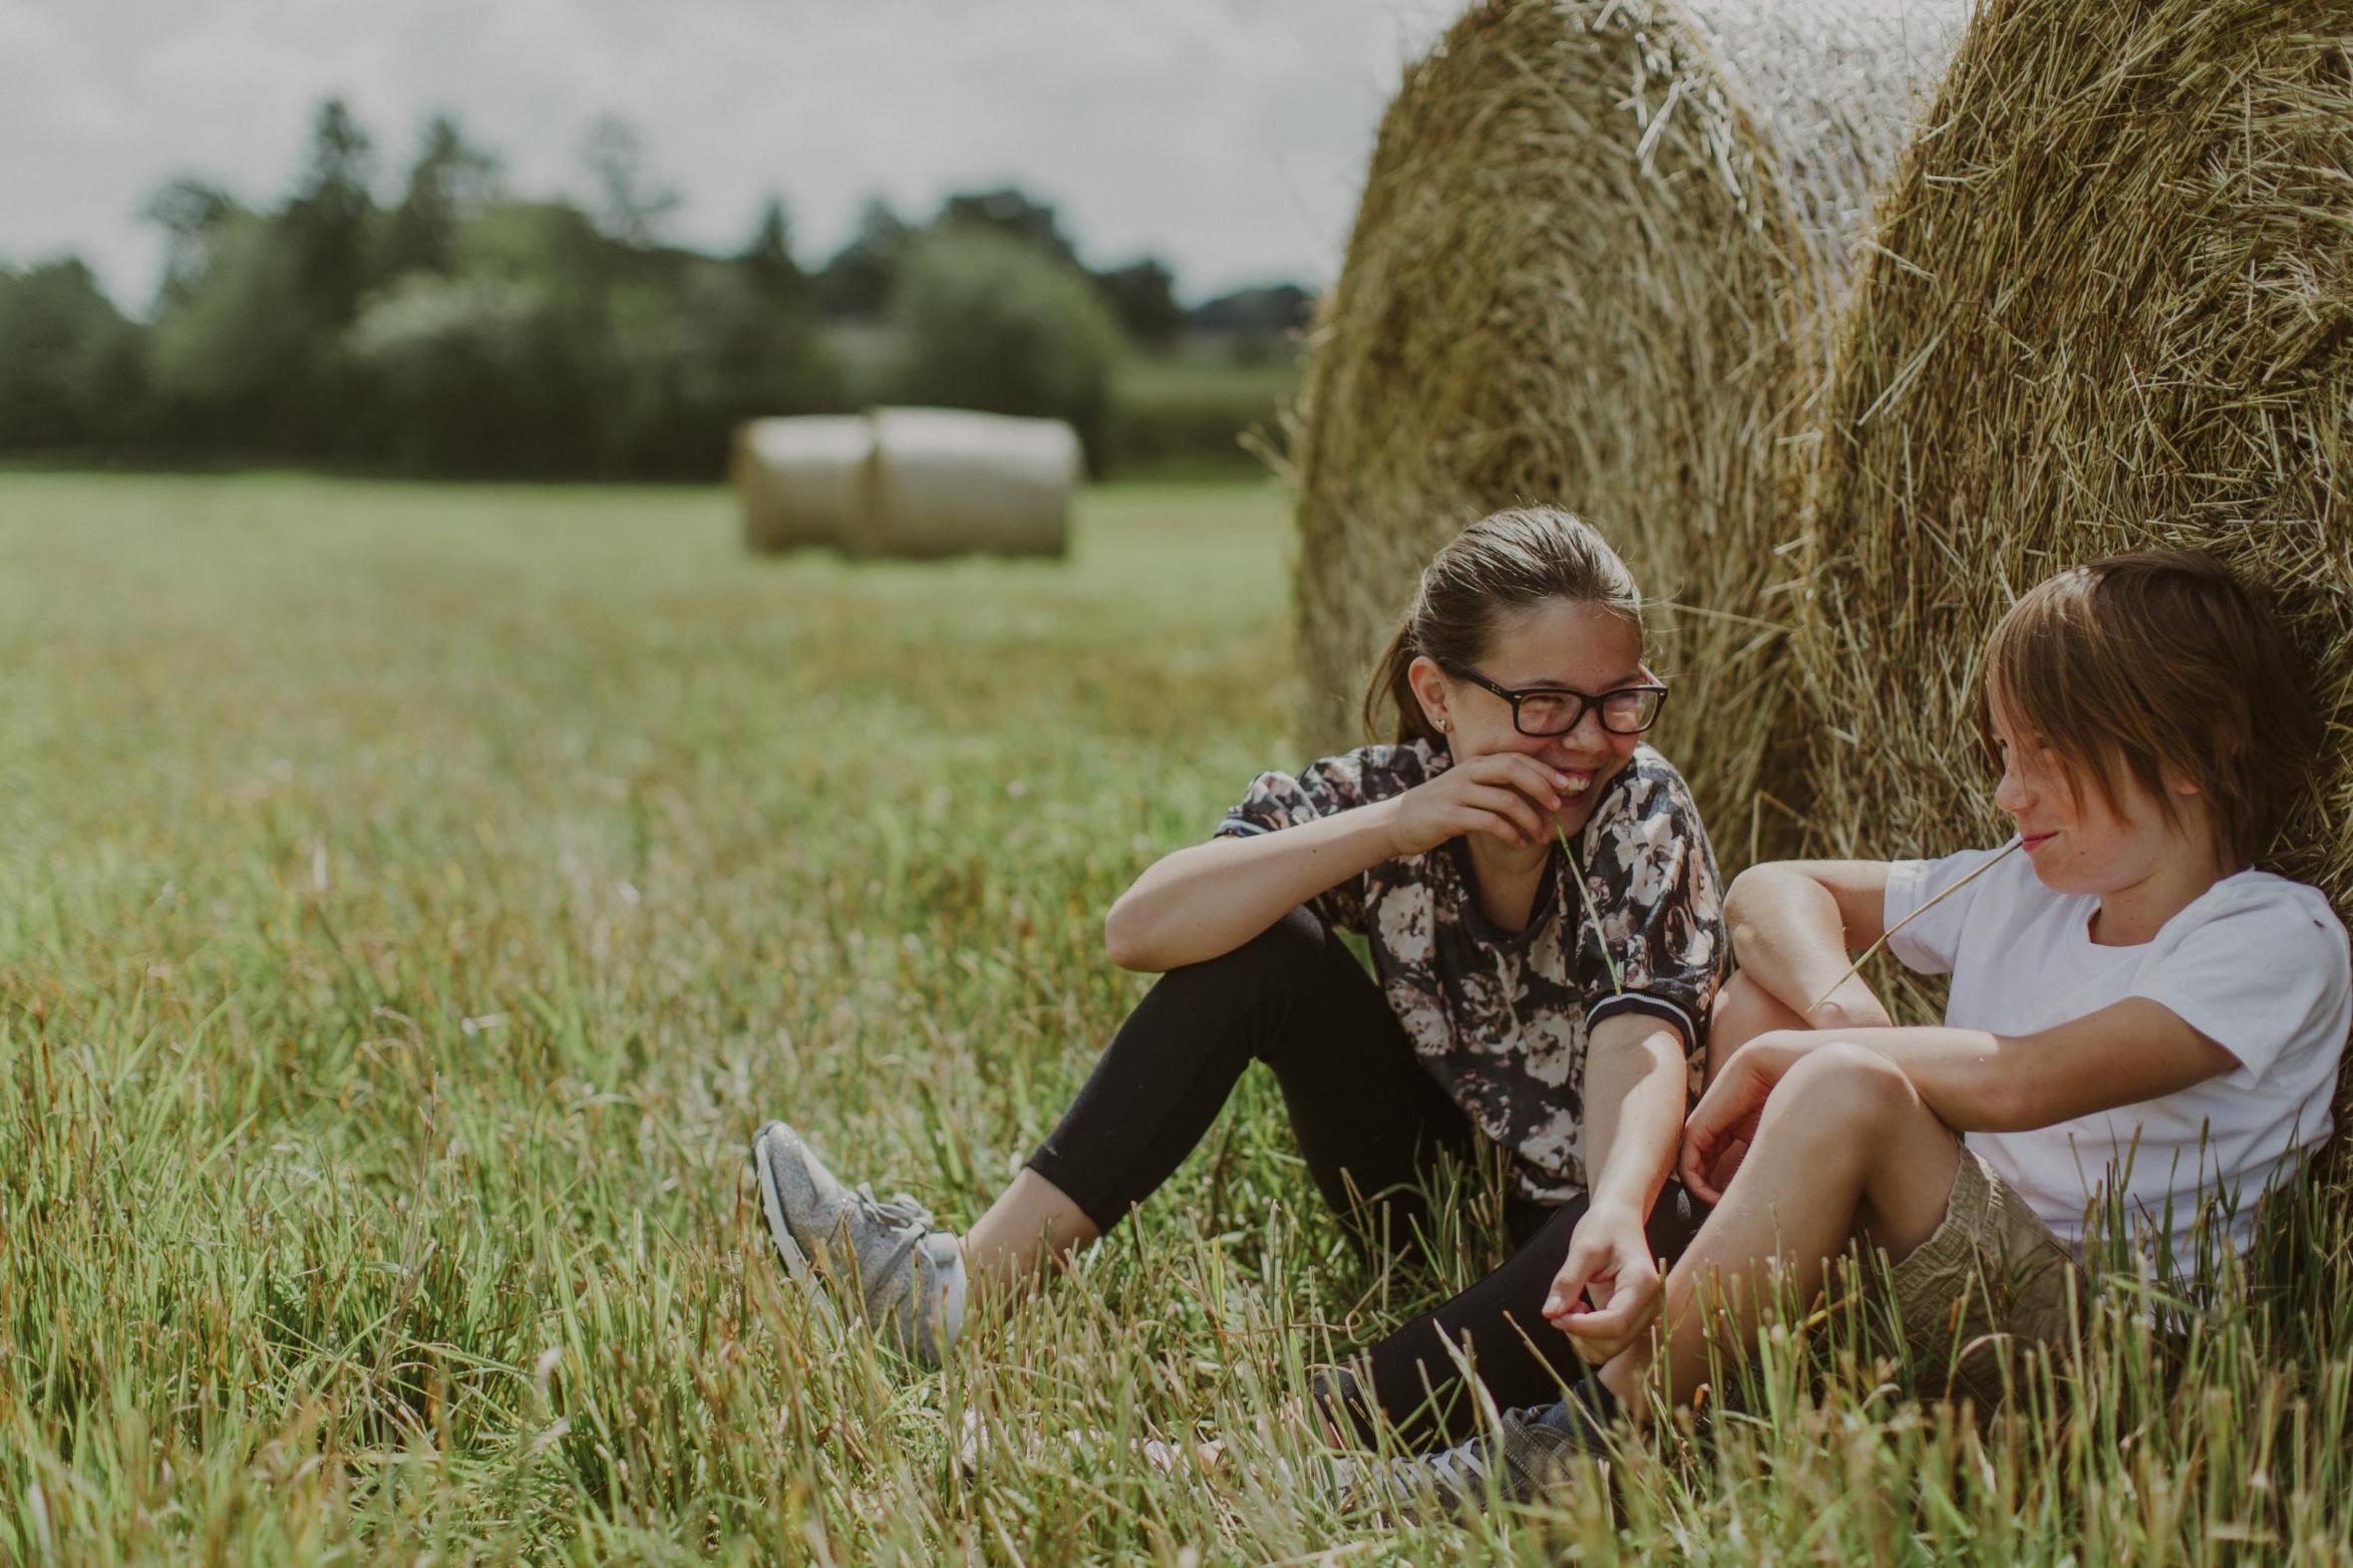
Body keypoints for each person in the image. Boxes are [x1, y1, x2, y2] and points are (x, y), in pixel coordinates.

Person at [1360, 548, 2351, 1507]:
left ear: (2198, 743)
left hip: (2102, 1354)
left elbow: (2024, 1079)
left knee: (1838, 1085)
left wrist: (1819, 1058)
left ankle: (1588, 1443)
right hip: (1952, 1279)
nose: (2009, 794)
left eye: (2050, 754)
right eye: (2003, 752)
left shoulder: (2267, 935)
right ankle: (1695, 1356)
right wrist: (1837, 1009)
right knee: (1758, 1000)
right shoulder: (2023, 885)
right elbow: (1767, 889)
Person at [748, 505, 1730, 1444]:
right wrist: (1395, 825)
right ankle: (958, 1288)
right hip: (1430, 1203)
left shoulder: (1638, 812)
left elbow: (1639, 1039)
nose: (1590, 740)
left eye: (1619, 700)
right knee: (1261, 946)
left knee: (1669, 1206)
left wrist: (1610, 1209)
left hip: (1585, 1244)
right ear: (1437, 695)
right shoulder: (1380, 795)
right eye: (1544, 705)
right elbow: (1141, 927)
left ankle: (1284, 1446)